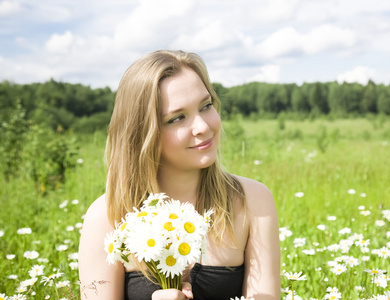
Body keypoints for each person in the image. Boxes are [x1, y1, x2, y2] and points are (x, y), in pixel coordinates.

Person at [78, 50, 280, 300]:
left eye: (206, 106)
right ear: (143, 134)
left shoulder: (252, 201)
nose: (204, 127)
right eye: (177, 118)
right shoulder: (108, 218)